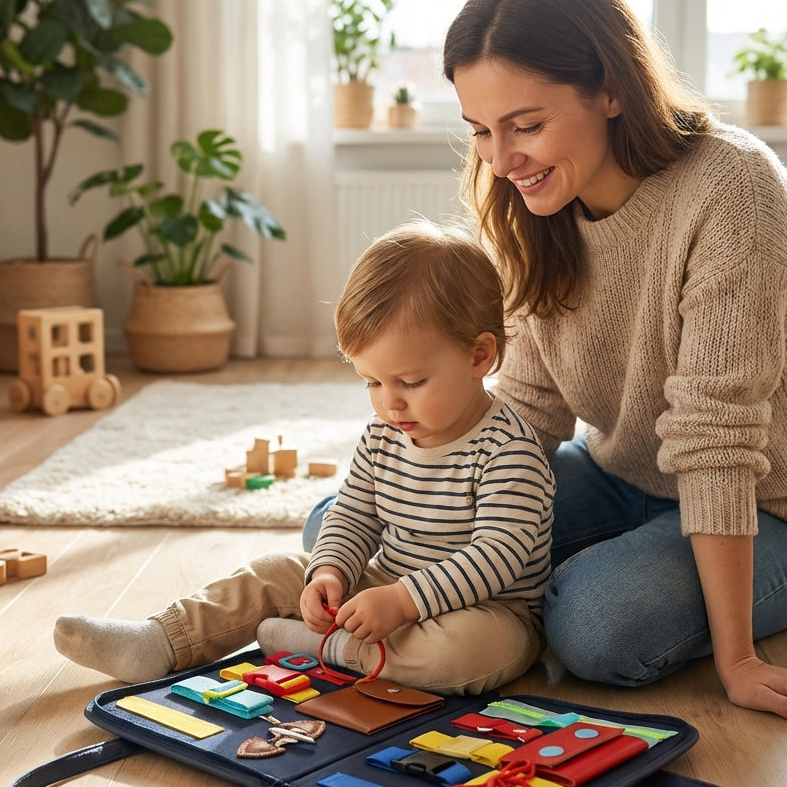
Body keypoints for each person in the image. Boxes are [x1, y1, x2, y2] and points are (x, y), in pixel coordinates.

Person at [428, 0, 787, 725]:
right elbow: (529, 409)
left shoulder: (733, 190)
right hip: (620, 476)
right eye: (482, 130)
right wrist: (434, 494)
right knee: (353, 524)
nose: (501, 159)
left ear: (612, 88)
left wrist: (740, 662)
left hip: (771, 514)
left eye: (526, 125)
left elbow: (715, 440)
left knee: (597, 627)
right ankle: (530, 591)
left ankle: (534, 600)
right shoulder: (529, 203)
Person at [55, 220, 555, 696]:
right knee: (276, 570)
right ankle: (162, 641)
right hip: (387, 586)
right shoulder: (385, 433)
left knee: (466, 651)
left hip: (489, 611)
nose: (389, 402)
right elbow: (354, 514)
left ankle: (324, 649)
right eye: (373, 382)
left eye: (410, 382)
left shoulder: (508, 451)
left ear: (478, 357)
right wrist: (330, 574)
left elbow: (498, 558)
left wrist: (405, 602)